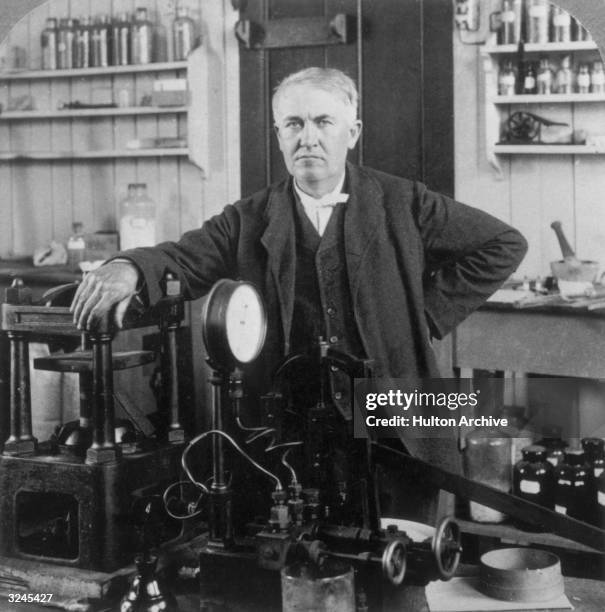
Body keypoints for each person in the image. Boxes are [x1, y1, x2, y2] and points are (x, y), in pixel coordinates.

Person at [71, 67, 527, 477]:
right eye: (293, 124)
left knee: (404, 543)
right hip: (293, 426)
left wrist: (420, 316)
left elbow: (503, 244)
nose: (307, 138)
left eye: (323, 122)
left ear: (353, 132)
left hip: (395, 414)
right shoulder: (247, 218)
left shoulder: (404, 202)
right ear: (278, 134)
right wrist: (128, 266)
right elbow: (184, 257)